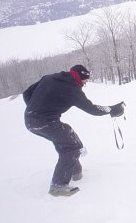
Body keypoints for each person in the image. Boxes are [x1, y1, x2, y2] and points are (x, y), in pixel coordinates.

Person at [23, 64, 125, 197]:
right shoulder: (72, 89)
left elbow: (27, 94)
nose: (85, 84)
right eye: (85, 81)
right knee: (71, 147)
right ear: (80, 77)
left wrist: (38, 108)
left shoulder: (50, 78)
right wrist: (111, 109)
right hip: (44, 122)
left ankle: (75, 172)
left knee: (67, 137)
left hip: (31, 119)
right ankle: (58, 185)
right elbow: (92, 109)